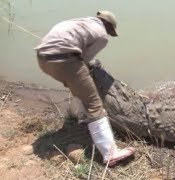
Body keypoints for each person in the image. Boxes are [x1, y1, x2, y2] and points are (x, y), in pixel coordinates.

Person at [34, 10, 135, 166]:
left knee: (81, 89)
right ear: (108, 25)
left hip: (43, 60)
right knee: (94, 104)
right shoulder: (102, 35)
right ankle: (110, 153)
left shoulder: (76, 22)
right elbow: (85, 61)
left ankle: (83, 119)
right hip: (64, 61)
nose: (109, 33)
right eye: (111, 30)